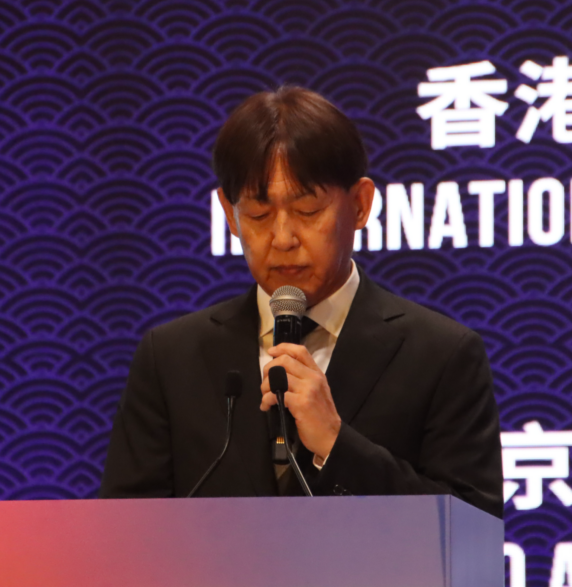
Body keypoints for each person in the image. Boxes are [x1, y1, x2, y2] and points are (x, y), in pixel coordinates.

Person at [100, 86, 503, 518]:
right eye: (258, 214)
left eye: (308, 211)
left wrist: (335, 444)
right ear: (229, 213)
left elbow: (470, 532)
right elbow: (124, 532)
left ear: (361, 205)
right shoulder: (171, 359)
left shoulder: (442, 355)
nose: (283, 239)